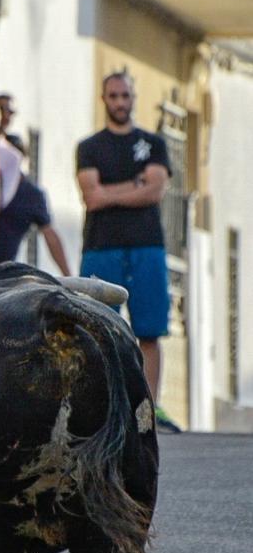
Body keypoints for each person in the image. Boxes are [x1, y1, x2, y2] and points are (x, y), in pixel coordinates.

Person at [76, 71, 181, 433]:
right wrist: (134, 185)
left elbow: (156, 190)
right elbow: (91, 196)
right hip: (101, 248)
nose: (120, 102)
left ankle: (148, 409)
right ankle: (101, 407)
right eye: (113, 96)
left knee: (149, 331)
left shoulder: (153, 144)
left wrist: (111, 193)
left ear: (134, 98)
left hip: (147, 247)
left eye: (125, 95)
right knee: (97, 330)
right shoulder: (89, 147)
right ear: (104, 99)